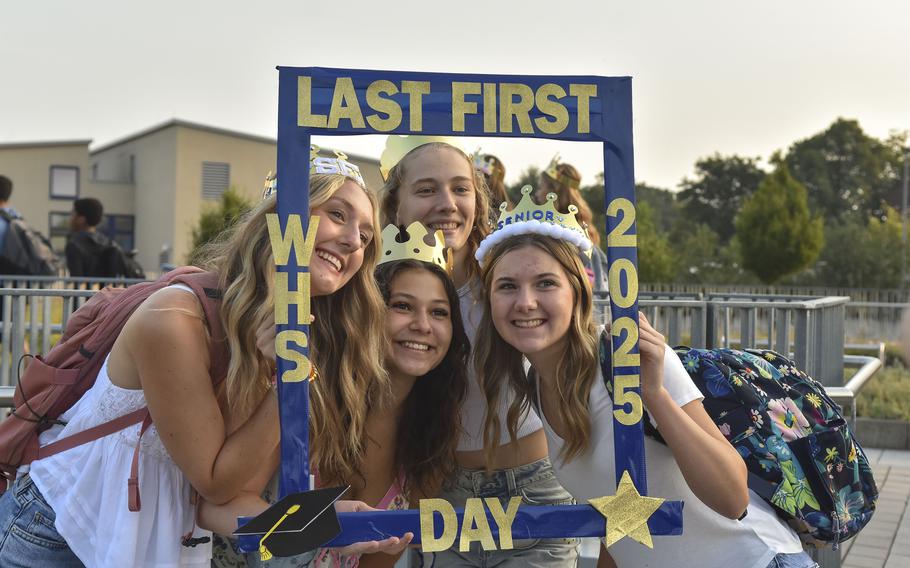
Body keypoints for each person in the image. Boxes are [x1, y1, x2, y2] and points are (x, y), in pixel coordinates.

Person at [0, 167, 392, 568]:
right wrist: (288, 380)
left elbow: (225, 498)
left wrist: (323, 525)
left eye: (365, 236)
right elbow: (217, 482)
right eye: (338, 215)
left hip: (153, 544)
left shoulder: (294, 337)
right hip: (55, 533)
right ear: (281, 222)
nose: (351, 241)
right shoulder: (174, 317)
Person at [474, 208, 819, 568]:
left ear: (577, 292)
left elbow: (733, 499)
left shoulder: (628, 359)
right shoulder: (535, 385)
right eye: (507, 286)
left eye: (545, 283)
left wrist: (654, 394)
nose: (525, 302)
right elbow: (621, 515)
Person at [202, 225, 470, 568]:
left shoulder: (429, 444)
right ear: (369, 312)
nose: (423, 325)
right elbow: (215, 507)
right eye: (402, 306)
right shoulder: (308, 395)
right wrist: (322, 525)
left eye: (439, 312)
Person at [380, 138, 578, 567]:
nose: (447, 203)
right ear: (396, 206)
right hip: (438, 493)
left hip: (534, 491)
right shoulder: (375, 290)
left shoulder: (509, 279)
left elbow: (578, 349)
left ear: (478, 199)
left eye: (460, 188)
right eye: (427, 189)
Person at [536, 158, 608, 295]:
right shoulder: (584, 227)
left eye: (540, 187)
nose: (537, 193)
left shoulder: (563, 233)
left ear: (553, 192)